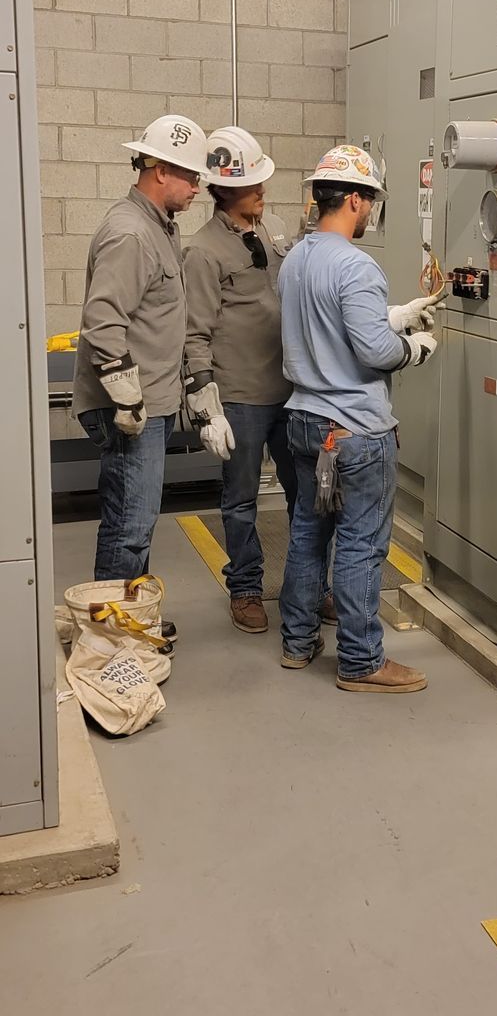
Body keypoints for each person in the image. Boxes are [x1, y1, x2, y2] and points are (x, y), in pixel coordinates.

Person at [278, 144, 439, 693]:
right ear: (352, 198)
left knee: (307, 534)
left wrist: (394, 314)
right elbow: (373, 351)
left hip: (304, 420)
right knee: (360, 545)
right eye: (369, 202)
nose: (370, 213)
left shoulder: (296, 259)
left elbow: (327, 326)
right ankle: (362, 661)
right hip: (353, 432)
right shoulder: (355, 264)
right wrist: (413, 346)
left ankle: (297, 644)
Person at [73, 116, 209, 583]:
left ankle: (131, 616)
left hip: (150, 402)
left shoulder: (160, 228)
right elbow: (103, 322)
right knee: (129, 525)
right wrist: (128, 399)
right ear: (159, 170)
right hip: (131, 411)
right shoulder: (131, 233)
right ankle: (113, 637)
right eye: (191, 175)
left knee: (137, 520)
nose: (198, 186)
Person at [183, 124, 301, 635]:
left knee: (307, 493)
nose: (262, 191)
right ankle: (247, 587)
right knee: (241, 500)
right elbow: (194, 333)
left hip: (292, 389)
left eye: (261, 182)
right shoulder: (203, 250)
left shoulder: (273, 227)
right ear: (223, 189)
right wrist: (207, 405)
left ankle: (309, 587)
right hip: (241, 397)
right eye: (252, 185)